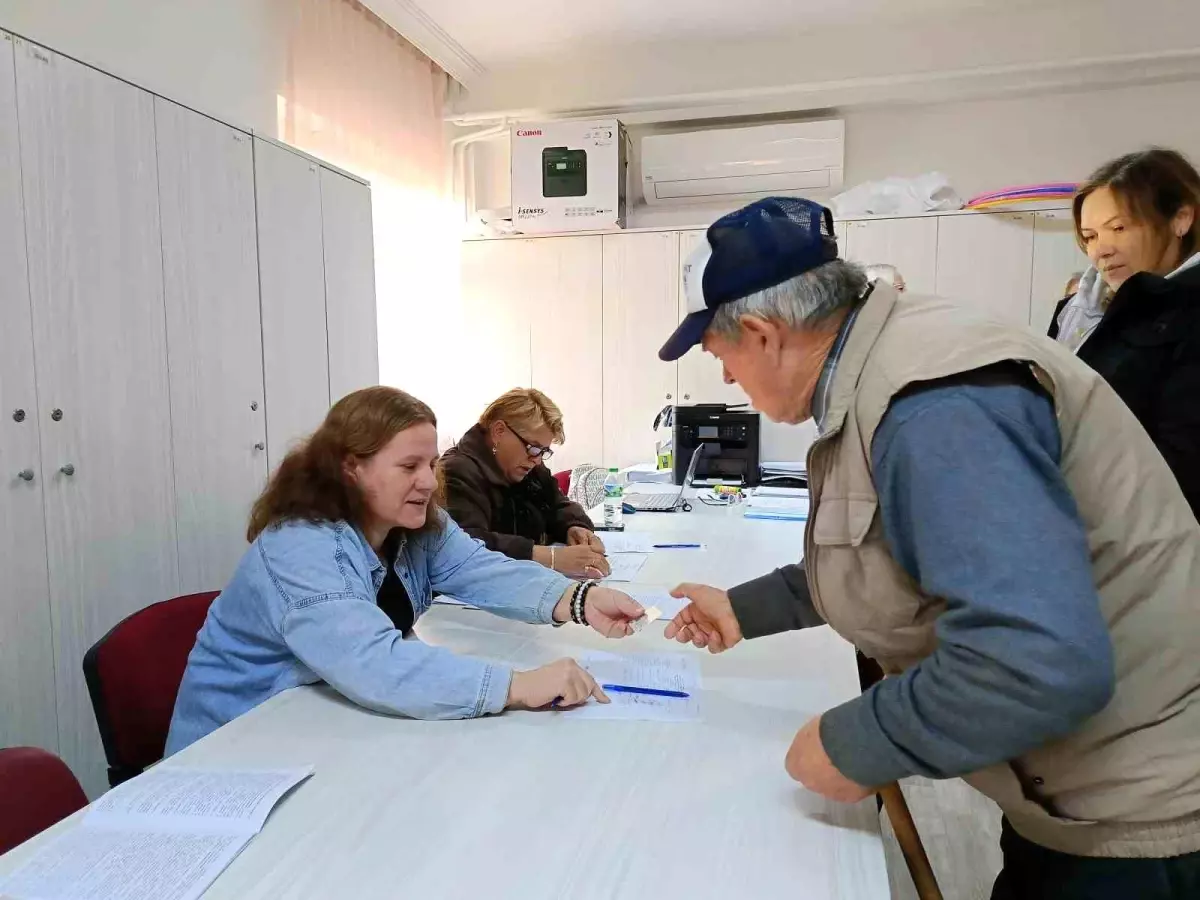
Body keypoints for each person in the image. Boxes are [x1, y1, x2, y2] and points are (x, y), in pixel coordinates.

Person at [657, 196, 1200, 898]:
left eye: (718, 353)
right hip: (1072, 792)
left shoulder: (934, 404)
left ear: (762, 333)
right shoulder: (891, 366)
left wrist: (855, 742)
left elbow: (1033, 661)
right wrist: (742, 608)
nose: (726, 378)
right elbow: (885, 551)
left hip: (1136, 826)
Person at [166, 387, 644, 754]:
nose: (426, 481)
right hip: (232, 754)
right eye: (409, 465)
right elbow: (372, 663)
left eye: (431, 463)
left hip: (317, 727)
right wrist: (518, 686)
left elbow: (480, 568)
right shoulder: (301, 546)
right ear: (351, 469)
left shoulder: (415, 523)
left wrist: (579, 600)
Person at [1048, 148, 1200, 516]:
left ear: (1180, 219)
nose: (1102, 250)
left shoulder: (1190, 309)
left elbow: (1181, 459)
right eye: (1090, 236)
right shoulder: (1076, 311)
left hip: (1151, 528)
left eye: (1119, 228)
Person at [440, 388, 610, 579]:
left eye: (543, 451)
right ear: (499, 431)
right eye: (534, 448)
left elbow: (558, 504)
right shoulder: (456, 471)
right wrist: (547, 557)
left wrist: (575, 527)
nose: (537, 460)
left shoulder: (527, 464)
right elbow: (466, 543)